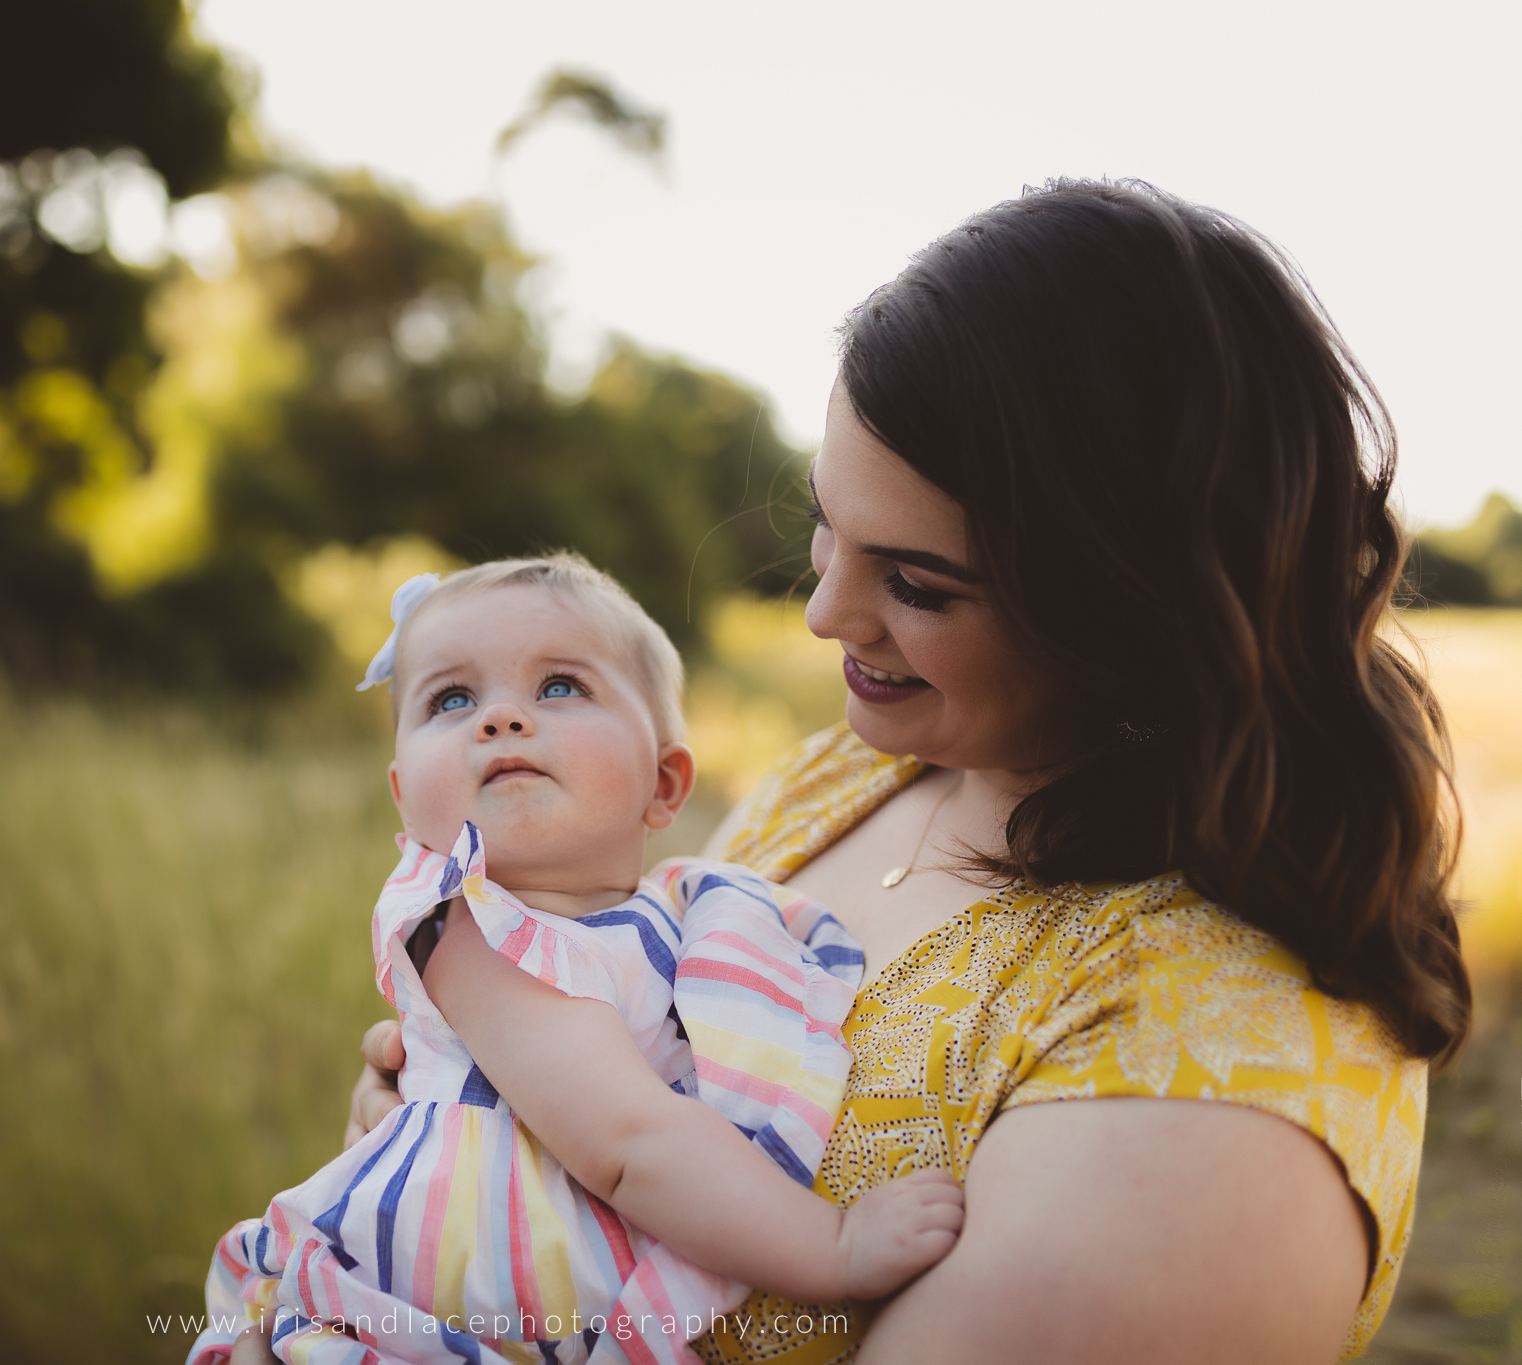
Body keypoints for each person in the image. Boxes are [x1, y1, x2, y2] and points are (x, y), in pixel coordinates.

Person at [324, 180, 1468, 1364]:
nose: (823, 612)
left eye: (916, 585)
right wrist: (442, 1142)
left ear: (1134, 613)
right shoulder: (846, 775)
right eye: (827, 525)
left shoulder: (1211, 1090)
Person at [189, 555, 964, 1365]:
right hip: (417, 1321)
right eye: (451, 699)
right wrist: (832, 1244)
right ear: (403, 797)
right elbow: (628, 1139)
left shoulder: (689, 913)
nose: (498, 718)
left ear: (663, 784)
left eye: (559, 686)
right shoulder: (472, 925)